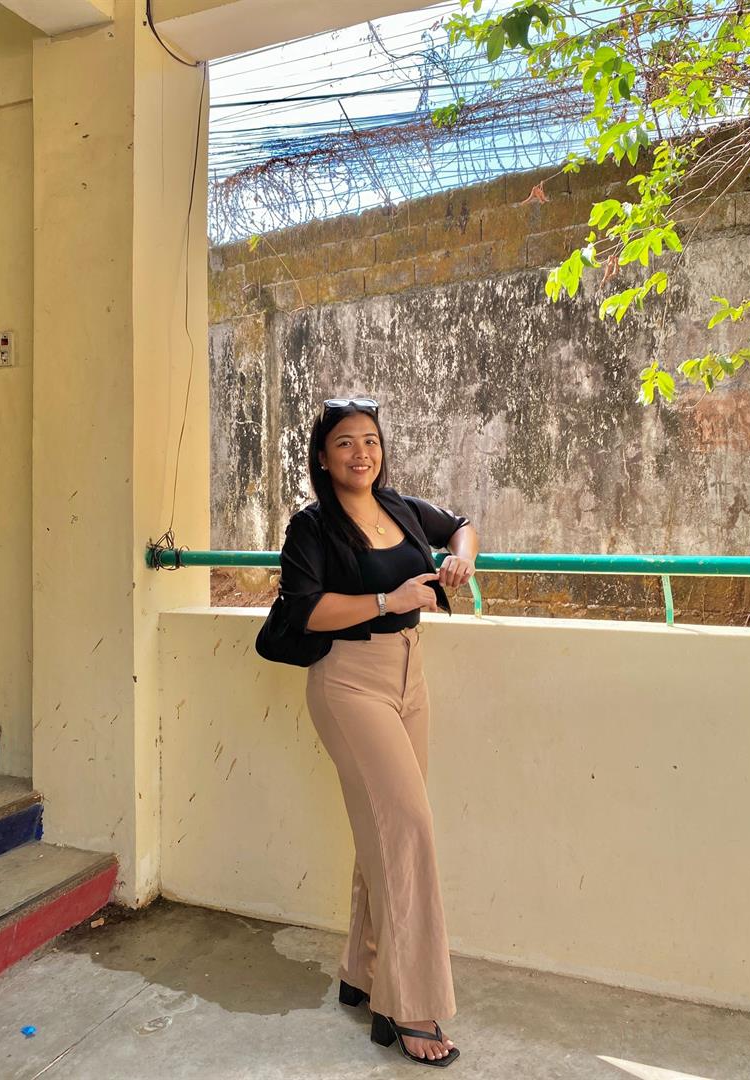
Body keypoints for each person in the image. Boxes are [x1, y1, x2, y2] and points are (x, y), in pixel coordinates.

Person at [277, 396, 478, 1068]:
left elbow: (462, 525)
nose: (360, 453)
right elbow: (306, 611)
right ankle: (408, 1001)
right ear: (323, 457)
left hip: (409, 677)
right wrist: (391, 600)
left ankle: (363, 970)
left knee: (383, 831)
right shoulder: (311, 527)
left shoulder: (400, 508)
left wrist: (460, 561)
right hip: (350, 682)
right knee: (407, 829)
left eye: (369, 440)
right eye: (344, 443)